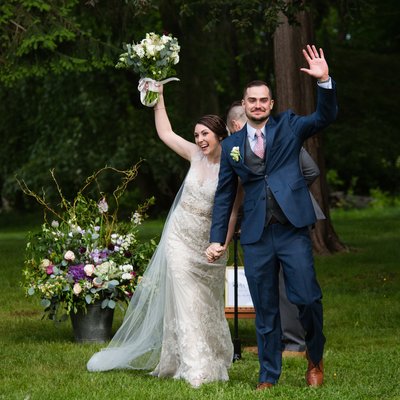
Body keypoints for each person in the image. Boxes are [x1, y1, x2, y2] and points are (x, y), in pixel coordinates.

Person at [87, 84, 241, 388]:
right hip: (179, 239)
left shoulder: (233, 167)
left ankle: (211, 357)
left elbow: (234, 211)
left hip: (209, 245)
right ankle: (194, 366)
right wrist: (158, 98)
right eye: (196, 135)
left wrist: (222, 243)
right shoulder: (195, 155)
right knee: (185, 299)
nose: (199, 140)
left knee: (206, 303)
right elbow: (166, 134)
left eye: (204, 134)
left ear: (220, 135)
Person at [206, 44, 337, 390]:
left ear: (271, 104)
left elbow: (323, 118)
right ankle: (268, 375)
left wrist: (324, 83)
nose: (258, 105)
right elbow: (224, 195)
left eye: (264, 100)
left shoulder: (289, 127)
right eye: (252, 100)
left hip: (292, 229)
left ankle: (314, 357)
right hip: (256, 234)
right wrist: (217, 238)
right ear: (245, 104)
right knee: (265, 308)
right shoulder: (232, 144)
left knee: (307, 298)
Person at [226, 101, 325, 357]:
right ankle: (276, 353)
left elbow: (311, 169)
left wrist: (286, 193)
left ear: (235, 125)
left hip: (291, 219)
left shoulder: (282, 134)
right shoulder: (238, 145)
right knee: (270, 291)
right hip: (260, 226)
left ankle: (295, 342)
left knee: (297, 289)